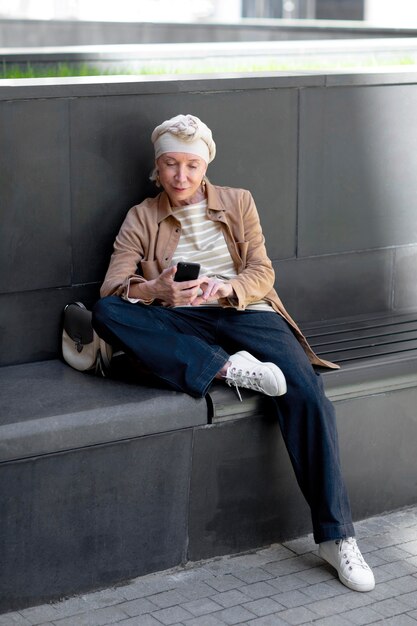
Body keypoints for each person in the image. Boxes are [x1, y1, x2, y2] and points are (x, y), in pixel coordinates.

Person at [92, 113, 375, 593]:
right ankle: (226, 368)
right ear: (156, 169)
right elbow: (114, 288)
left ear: (206, 167)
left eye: (191, 165)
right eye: (170, 165)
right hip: (180, 318)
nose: (181, 176)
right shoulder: (141, 216)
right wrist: (159, 290)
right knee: (107, 313)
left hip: (245, 311)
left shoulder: (239, 202)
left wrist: (226, 288)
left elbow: (263, 272)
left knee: (307, 392)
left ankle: (336, 537)